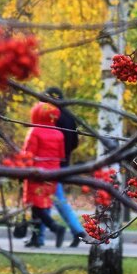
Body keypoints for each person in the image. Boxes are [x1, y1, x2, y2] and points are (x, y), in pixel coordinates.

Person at [46, 87, 87, 247]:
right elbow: (75, 142)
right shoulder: (69, 117)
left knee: (56, 199)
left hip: (51, 163)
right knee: (48, 198)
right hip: (64, 163)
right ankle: (40, 235)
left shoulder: (51, 118)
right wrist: (66, 153)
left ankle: (77, 231)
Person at [22, 101, 66, 248]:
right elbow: (61, 156)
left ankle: (55, 228)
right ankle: (35, 238)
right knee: (41, 205)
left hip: (36, 173)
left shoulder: (35, 131)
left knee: (36, 206)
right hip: (52, 174)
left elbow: (28, 154)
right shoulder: (59, 134)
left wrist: (21, 170)